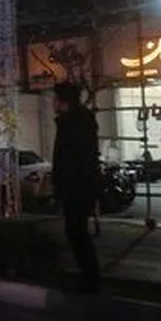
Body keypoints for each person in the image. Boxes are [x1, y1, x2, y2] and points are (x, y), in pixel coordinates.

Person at [51, 82, 101, 294]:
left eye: (55, 99)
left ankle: (91, 279)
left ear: (64, 101)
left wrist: (62, 187)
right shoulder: (80, 121)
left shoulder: (72, 124)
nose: (53, 103)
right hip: (81, 186)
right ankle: (90, 277)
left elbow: (69, 159)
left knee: (76, 232)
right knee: (77, 232)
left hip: (77, 187)